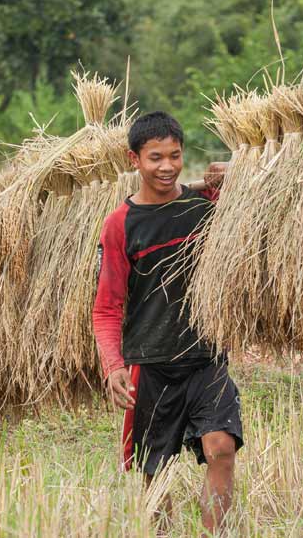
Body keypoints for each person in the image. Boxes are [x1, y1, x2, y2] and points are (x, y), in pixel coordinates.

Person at [92, 111, 241, 533]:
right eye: (155, 157)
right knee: (153, 472)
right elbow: (106, 308)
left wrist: (236, 173)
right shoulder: (121, 225)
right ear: (133, 159)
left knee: (221, 449)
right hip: (150, 363)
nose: (167, 166)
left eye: (175, 156)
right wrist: (113, 365)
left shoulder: (203, 207)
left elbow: (266, 186)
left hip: (204, 355)